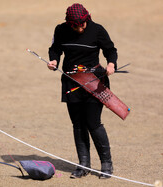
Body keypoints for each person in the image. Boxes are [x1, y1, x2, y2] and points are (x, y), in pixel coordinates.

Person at [48, 3, 117, 179]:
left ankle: (106, 165)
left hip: (95, 82)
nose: (80, 28)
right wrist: (54, 61)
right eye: (76, 26)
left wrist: (111, 64)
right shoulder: (61, 30)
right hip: (71, 83)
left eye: (83, 24)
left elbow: (110, 50)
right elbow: (55, 49)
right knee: (78, 125)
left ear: (87, 18)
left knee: (93, 122)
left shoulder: (97, 30)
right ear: (69, 23)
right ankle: (83, 164)